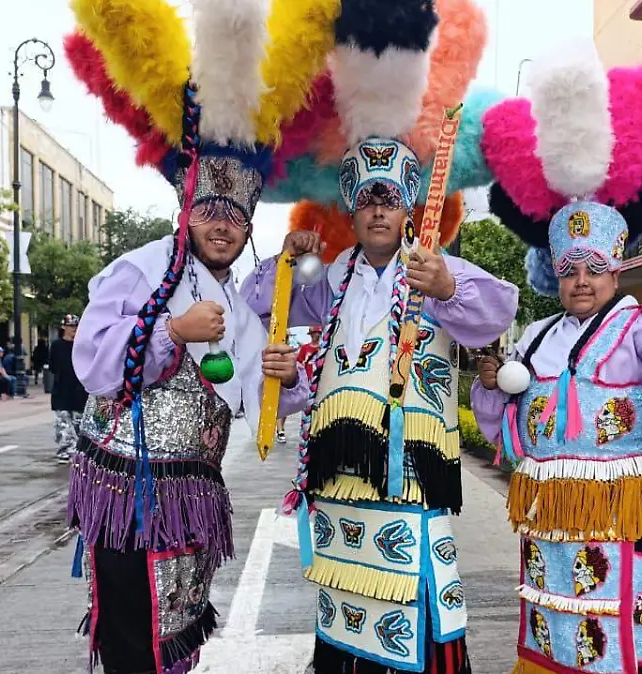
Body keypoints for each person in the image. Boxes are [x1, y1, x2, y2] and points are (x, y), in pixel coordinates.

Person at [242, 6, 521, 667]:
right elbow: (261, 304)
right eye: (366, 199)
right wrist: (288, 259)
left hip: (410, 478)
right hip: (339, 484)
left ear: (406, 207)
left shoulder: (432, 266)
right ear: (352, 206)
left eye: (388, 199)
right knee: (343, 614)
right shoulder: (331, 275)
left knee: (417, 619)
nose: (376, 210)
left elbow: (496, 312)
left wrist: (446, 286)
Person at [63, 1, 334, 671]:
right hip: (129, 484)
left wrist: (286, 377)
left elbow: (257, 390)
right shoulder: (139, 268)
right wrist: (171, 331)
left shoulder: (236, 302)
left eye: (234, 218)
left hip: (192, 494)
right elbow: (92, 361)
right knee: (134, 635)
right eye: (209, 212)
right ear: (186, 210)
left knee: (179, 628)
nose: (221, 226)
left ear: (247, 226)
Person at [469, 43, 642, 674]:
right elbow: (506, 421)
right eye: (570, 269)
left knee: (614, 634)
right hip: (550, 514)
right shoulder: (537, 336)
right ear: (556, 274)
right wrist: (490, 385)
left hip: (621, 513)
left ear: (615, 270)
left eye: (594, 268)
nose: (581, 281)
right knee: (549, 623)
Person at [275, 325, 322, 444]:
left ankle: (312, 432)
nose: (316, 335)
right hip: (304, 382)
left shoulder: (323, 349)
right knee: (286, 403)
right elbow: (299, 364)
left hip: (318, 383)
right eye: (314, 333)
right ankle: (280, 430)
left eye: (317, 333)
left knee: (315, 408)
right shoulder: (305, 348)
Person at [50, 315, 88, 462]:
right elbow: (53, 366)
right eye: (71, 326)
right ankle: (65, 449)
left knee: (79, 422)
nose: (74, 329)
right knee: (63, 421)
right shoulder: (56, 346)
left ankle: (79, 449)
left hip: (79, 388)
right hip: (61, 388)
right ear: (64, 327)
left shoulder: (82, 345)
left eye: (76, 326)